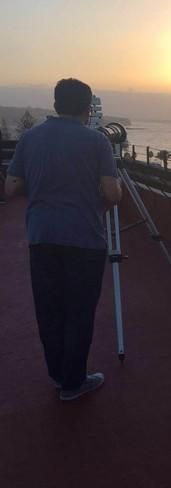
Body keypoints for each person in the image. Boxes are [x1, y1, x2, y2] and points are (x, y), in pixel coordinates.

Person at [4, 78, 122, 401]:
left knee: (50, 309)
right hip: (85, 239)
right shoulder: (97, 143)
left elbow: (11, 186)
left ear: (56, 105)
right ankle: (74, 383)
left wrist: (42, 191)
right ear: (87, 108)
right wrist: (104, 203)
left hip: (42, 238)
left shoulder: (29, 138)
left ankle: (58, 374)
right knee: (79, 311)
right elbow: (112, 192)